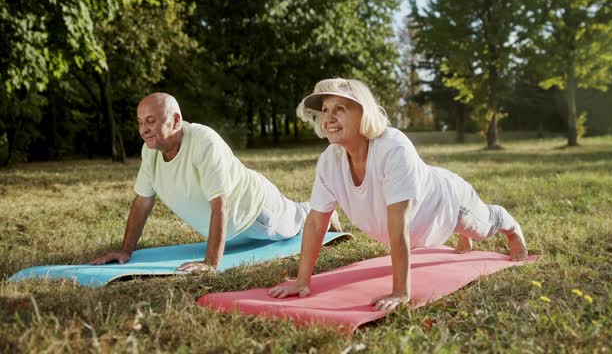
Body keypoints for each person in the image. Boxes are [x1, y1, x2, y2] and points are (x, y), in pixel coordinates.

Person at [268, 78, 527, 310]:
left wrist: (401, 291)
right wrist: (302, 281)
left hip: (450, 203)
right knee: (463, 234)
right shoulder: (330, 161)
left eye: (340, 109)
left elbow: (399, 223)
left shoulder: (393, 147)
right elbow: (315, 222)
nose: (329, 117)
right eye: (325, 110)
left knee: (481, 229)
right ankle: (462, 237)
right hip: (421, 213)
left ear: (364, 114)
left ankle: (510, 224)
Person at [90, 93, 339, 272]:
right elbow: (142, 201)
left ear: (176, 121)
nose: (144, 129)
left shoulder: (203, 141)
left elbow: (221, 204)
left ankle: (326, 212)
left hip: (256, 211)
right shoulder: (150, 152)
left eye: (152, 120)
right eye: (140, 121)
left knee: (296, 221)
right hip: (231, 230)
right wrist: (125, 250)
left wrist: (210, 264)